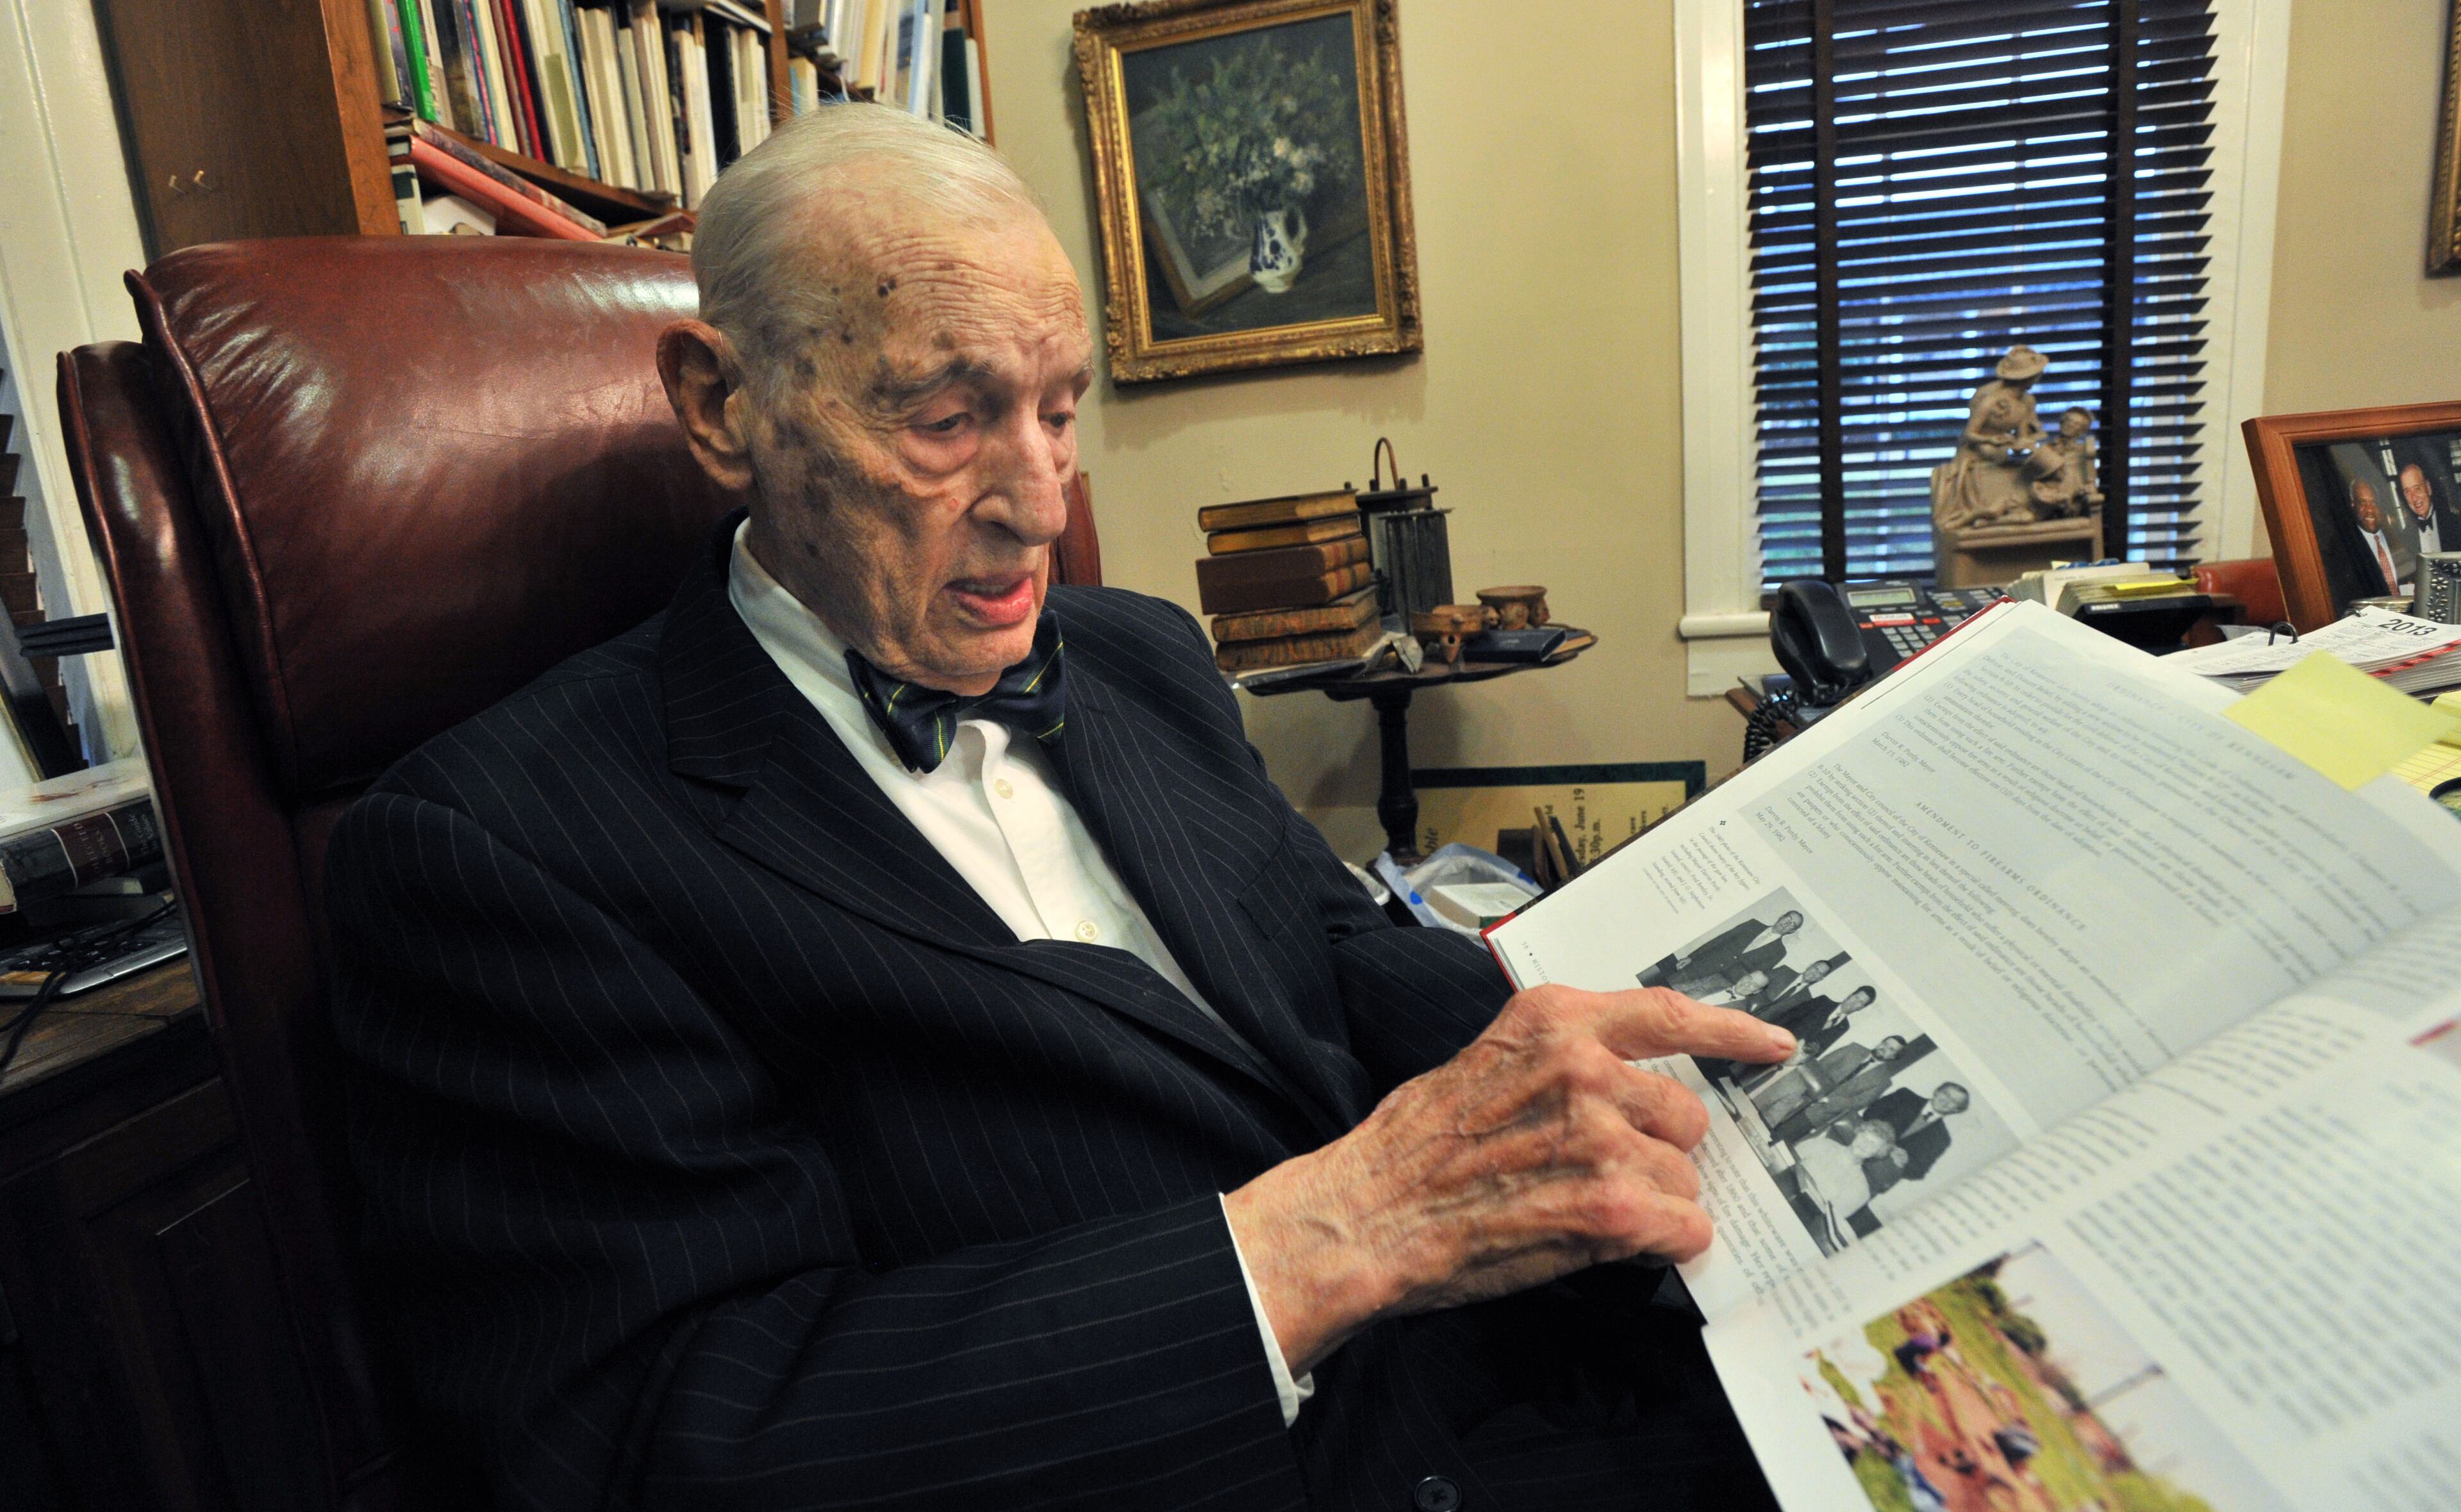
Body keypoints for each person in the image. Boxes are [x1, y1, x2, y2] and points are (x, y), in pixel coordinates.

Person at [322, 106, 1799, 1511]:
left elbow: (1324, 950)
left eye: (1058, 408)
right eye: (949, 417)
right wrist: (1344, 1231)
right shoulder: (498, 851)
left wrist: (1596, 1026)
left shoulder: (1139, 653)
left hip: (1577, 1350)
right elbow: (670, 1435)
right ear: (724, 409)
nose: (1040, 500)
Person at [1641, 910, 1805, 997]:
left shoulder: (1779, 952)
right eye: (1788, 918)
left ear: (1792, 931)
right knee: (1658, 990)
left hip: (1720, 982)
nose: (1787, 923)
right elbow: (1720, 940)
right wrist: (1691, 957)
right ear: (1782, 916)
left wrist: (1732, 986)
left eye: (1792, 924)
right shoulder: (1753, 925)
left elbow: (1754, 975)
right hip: (1700, 966)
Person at [1861, 1082, 1973, 1191]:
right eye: (1946, 1094)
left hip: (1876, 1174)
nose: (1946, 1101)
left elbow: (1919, 1172)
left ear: (1956, 1110)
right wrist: (1890, 1147)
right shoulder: (1905, 1096)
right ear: (1937, 1091)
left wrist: (1904, 1161)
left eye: (1954, 1102)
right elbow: (1870, 1114)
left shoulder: (1942, 1139)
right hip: (1859, 1145)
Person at [2353, 478, 2405, 593]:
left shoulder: (2399, 540)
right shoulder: (2350, 550)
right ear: (2353, 505)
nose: (2370, 510)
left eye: (2374, 502)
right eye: (2363, 503)